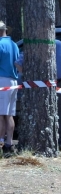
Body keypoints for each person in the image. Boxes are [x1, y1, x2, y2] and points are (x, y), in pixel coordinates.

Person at [15, 39, 61, 149]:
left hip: (58, 83)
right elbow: (18, 63)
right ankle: (39, 142)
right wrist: (27, 75)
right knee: (40, 114)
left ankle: (60, 142)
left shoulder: (58, 44)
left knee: (58, 113)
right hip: (38, 86)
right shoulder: (33, 42)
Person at [0, 21, 19, 156]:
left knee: (0, 115)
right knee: (9, 115)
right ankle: (9, 143)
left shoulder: (0, 44)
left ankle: (0, 142)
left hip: (2, 80)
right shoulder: (14, 45)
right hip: (13, 81)